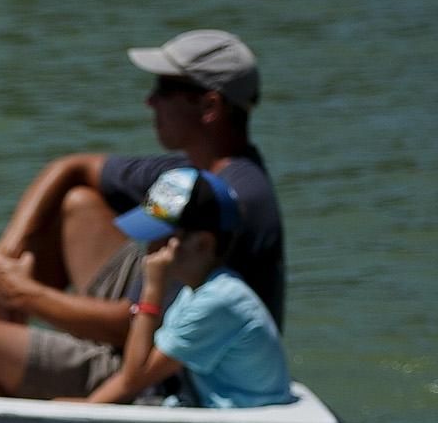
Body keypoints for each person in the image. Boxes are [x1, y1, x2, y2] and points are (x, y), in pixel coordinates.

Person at [0, 29, 285, 399]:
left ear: (209, 106)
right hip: (145, 305)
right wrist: (10, 251)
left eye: (164, 89)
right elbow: (70, 168)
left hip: (158, 370)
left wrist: (25, 295)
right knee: (76, 205)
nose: (149, 100)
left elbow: (137, 327)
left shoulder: (231, 199)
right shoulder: (183, 177)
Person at [65, 165, 293, 408]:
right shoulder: (195, 292)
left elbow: (136, 376)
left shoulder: (218, 301)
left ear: (203, 244)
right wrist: (86, 406)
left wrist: (151, 289)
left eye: (159, 236)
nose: (148, 246)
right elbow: (134, 376)